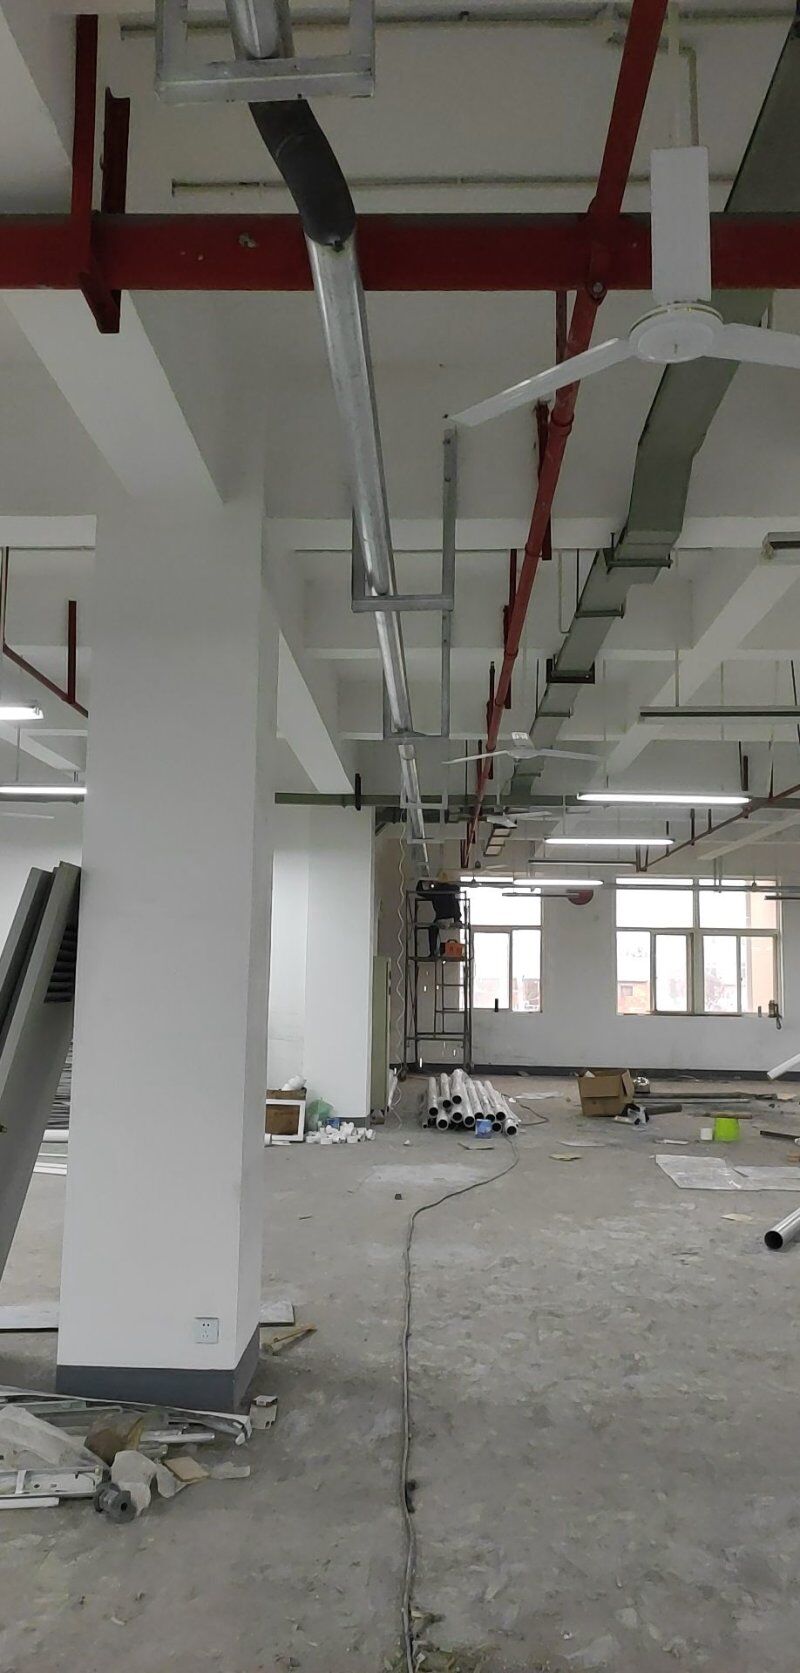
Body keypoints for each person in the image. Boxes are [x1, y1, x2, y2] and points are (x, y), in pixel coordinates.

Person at [416, 871, 462, 959]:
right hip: (453, 919)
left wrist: (422, 880)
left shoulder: (435, 891)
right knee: (455, 901)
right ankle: (458, 920)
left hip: (440, 919)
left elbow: (419, 892)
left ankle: (433, 953)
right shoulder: (451, 889)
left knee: (432, 929)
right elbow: (457, 888)